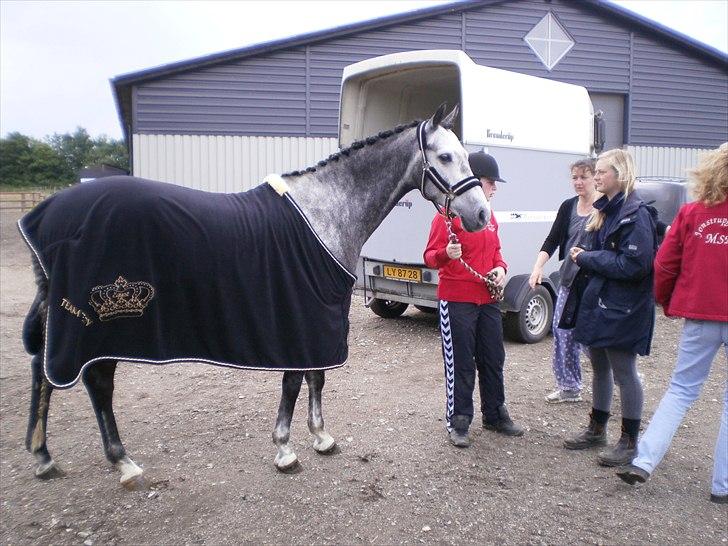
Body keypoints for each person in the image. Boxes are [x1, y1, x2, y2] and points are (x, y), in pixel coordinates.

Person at [616, 143, 728, 504]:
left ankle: (644, 461)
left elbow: (664, 263)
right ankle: (721, 486)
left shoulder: (692, 213)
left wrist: (666, 299)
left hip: (699, 313)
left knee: (681, 390)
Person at [561, 148, 657, 466]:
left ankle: (629, 442)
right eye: (597, 171)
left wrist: (586, 257)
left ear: (620, 174)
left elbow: (636, 264)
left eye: (601, 171)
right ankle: (596, 429)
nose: (596, 176)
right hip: (600, 303)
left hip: (622, 308)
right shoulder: (606, 210)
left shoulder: (636, 213)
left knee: (624, 373)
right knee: (600, 367)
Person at [424, 151, 524, 448]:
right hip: (456, 300)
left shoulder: (489, 216)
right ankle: (459, 420)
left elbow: (496, 253)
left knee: (493, 358)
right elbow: (429, 257)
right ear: (476, 182)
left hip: (487, 300)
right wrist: (445, 254)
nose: (495, 188)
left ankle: (495, 413)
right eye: (491, 182)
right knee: (461, 364)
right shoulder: (445, 218)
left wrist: (500, 269)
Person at [529, 159, 597, 404]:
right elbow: (552, 240)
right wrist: (538, 267)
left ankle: (622, 375)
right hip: (569, 281)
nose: (578, 182)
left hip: (596, 285)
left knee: (594, 337)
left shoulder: (605, 207)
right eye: (575, 177)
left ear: (595, 177)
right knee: (561, 332)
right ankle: (569, 386)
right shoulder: (568, 207)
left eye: (584, 177)